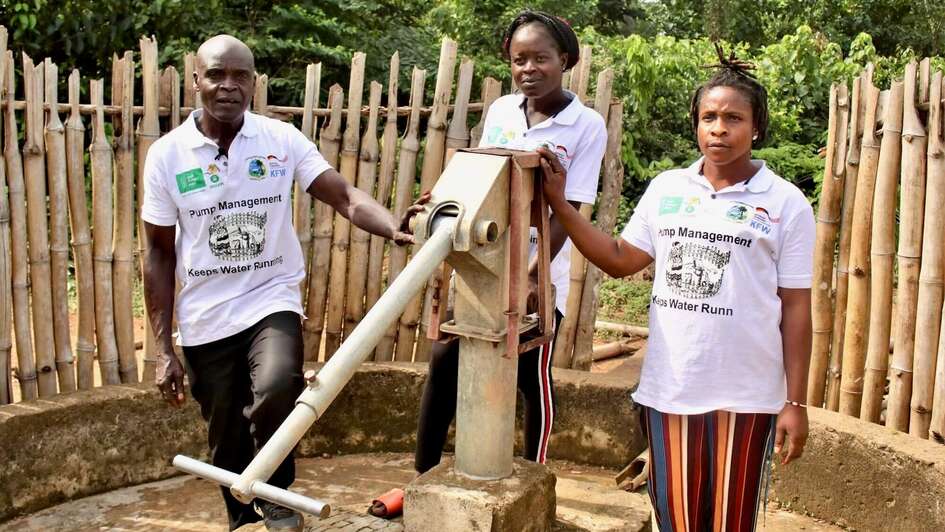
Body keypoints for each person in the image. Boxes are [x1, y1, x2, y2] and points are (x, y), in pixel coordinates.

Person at [141, 35, 421, 532]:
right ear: (196, 81)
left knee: (276, 387)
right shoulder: (168, 155)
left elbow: (344, 195)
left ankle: (278, 498)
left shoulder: (280, 140)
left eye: (240, 76)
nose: (229, 86)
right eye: (217, 75)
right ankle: (241, 518)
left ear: (254, 83)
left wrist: (392, 224)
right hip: (205, 314)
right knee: (224, 431)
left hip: (271, 297)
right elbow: (159, 254)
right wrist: (163, 348)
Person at [538, 46, 814, 531]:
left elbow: (795, 307)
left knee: (730, 522)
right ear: (695, 123)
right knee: (678, 519)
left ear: (757, 127)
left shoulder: (786, 203)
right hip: (671, 388)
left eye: (733, 118)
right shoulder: (668, 189)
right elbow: (622, 259)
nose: (719, 129)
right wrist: (561, 204)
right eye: (709, 116)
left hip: (748, 394)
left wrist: (795, 403)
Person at [369, 9, 608, 518]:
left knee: (529, 378)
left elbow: (571, 210)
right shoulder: (502, 110)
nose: (529, 69)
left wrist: (530, 279)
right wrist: (437, 203)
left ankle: (535, 479)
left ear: (564, 60)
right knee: (442, 364)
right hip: (482, 268)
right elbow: (478, 177)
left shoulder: (586, 125)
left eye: (541, 58)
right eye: (520, 59)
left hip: (536, 277)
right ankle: (418, 479)